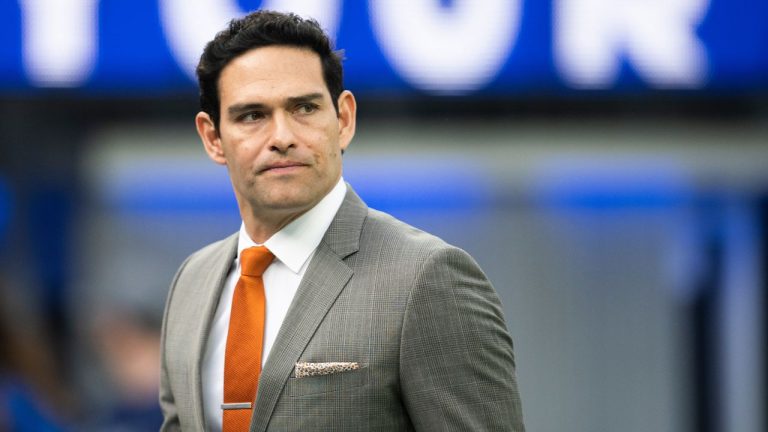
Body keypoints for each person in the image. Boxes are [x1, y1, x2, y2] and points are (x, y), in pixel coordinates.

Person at [159, 10, 524, 431]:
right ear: (212, 138)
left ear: (344, 119)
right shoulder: (192, 282)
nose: (281, 136)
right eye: (252, 115)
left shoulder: (425, 279)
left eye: (304, 108)